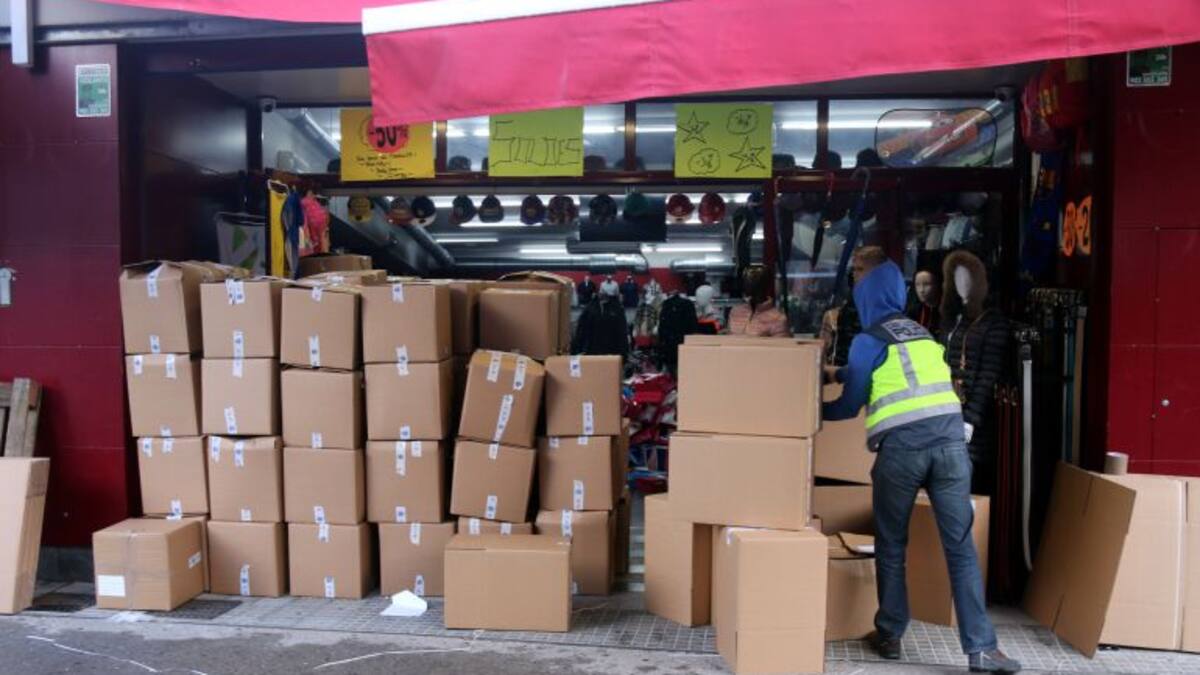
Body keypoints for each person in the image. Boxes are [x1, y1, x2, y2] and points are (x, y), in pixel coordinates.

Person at [822, 260, 1021, 674]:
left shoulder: (867, 339)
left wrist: (808, 406)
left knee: (892, 544)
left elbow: (849, 404)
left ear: (866, 297)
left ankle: (891, 633)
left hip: (903, 453)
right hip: (951, 449)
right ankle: (982, 649)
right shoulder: (923, 335)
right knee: (961, 548)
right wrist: (842, 372)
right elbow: (895, 374)